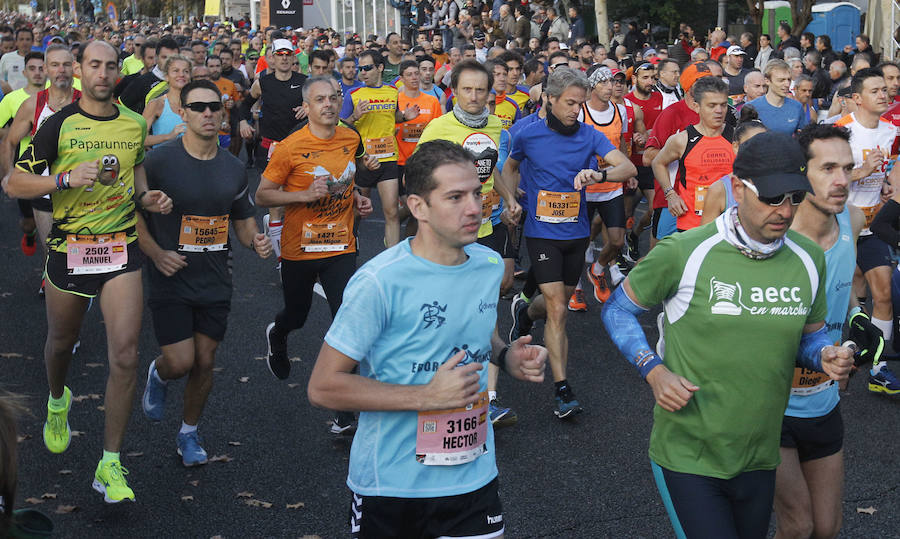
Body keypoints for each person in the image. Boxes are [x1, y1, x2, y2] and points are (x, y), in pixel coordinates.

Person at [602, 131, 854, 539]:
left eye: (793, 196)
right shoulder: (686, 251)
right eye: (772, 197)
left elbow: (810, 337)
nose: (785, 211)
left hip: (759, 455)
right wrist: (654, 371)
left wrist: (824, 353)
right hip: (689, 455)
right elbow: (618, 309)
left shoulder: (808, 260)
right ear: (737, 188)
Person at [307, 139, 548, 538]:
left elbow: (478, 333)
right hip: (393, 486)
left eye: (476, 193)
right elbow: (322, 387)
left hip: (474, 478)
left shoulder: (488, 265)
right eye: (455, 197)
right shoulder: (380, 282)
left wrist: (506, 357)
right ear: (418, 206)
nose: (474, 207)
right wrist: (426, 397)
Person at [5, 41, 173, 503]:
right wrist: (64, 178)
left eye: (110, 65)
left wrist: (149, 199)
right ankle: (58, 400)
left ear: (119, 71)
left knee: (125, 354)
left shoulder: (134, 124)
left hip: (120, 249)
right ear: (79, 71)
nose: (102, 73)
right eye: (93, 65)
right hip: (70, 249)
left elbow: (137, 185)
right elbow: (14, 182)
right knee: (61, 343)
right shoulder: (57, 125)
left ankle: (110, 464)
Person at [138, 79, 272, 466]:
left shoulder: (232, 167)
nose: (208, 113)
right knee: (181, 361)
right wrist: (156, 253)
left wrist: (256, 241)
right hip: (170, 274)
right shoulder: (159, 161)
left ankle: (189, 433)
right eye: (198, 107)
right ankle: (160, 375)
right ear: (182, 112)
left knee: (206, 360)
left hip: (215, 276)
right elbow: (133, 214)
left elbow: (243, 221)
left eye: (214, 106)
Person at [505, 68, 635, 419]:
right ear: (548, 99)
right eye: (569, 103)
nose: (575, 110)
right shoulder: (527, 134)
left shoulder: (590, 136)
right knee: (559, 308)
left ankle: (523, 311)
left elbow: (625, 166)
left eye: (579, 104)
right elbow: (509, 166)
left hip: (576, 233)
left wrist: (599, 174)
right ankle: (563, 390)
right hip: (541, 231)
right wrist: (510, 199)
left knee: (551, 305)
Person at [257, 76, 376, 433]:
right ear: (306, 107)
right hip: (300, 248)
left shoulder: (351, 137)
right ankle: (278, 334)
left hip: (341, 243)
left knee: (349, 320)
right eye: (319, 99)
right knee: (297, 315)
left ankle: (343, 409)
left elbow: (346, 176)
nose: (328, 104)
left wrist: (357, 198)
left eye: (333, 97)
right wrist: (301, 196)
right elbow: (262, 195)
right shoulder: (290, 147)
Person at [774, 123, 876, 539]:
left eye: (848, 169)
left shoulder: (851, 219)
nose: (841, 181)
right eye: (828, 168)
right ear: (802, 174)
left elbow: (846, 291)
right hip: (771, 405)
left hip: (823, 400)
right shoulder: (775, 236)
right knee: (798, 528)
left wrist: (858, 321)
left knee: (827, 530)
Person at [417, 59, 522, 426]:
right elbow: (417, 178)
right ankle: (439, 389)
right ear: (455, 91)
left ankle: (488, 400)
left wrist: (508, 198)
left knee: (486, 310)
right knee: (447, 313)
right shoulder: (438, 129)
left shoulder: (497, 127)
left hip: (487, 229)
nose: (475, 96)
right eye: (467, 89)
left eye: (481, 90)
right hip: (447, 236)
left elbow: (490, 169)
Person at [835, 67, 900, 393]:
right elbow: (821, 179)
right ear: (857, 98)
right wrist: (862, 171)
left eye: (885, 89)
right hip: (841, 222)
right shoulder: (840, 131)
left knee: (884, 292)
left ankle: (879, 366)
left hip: (873, 224)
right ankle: (833, 356)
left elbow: (887, 175)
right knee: (838, 296)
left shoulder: (890, 132)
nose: (884, 94)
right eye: (875, 90)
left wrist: (887, 185)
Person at [239, 38, 308, 267]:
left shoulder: (304, 82)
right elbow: (244, 105)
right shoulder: (263, 82)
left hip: (298, 147)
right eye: (280, 54)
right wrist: (242, 122)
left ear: (294, 57)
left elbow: (316, 106)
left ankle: (278, 232)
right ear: (272, 57)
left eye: (288, 54)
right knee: (276, 204)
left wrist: (306, 108)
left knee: (294, 203)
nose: (285, 58)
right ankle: (283, 261)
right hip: (271, 147)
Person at [341, 50, 418, 248]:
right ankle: (350, 244)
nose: (363, 72)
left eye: (367, 68)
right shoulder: (354, 94)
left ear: (380, 68)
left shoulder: (393, 92)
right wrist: (354, 117)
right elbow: (341, 126)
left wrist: (404, 117)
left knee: (391, 212)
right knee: (358, 211)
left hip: (388, 159)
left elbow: (393, 116)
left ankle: (392, 256)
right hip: (362, 161)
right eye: (361, 69)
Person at [652, 76, 735, 233]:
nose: (719, 111)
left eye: (723, 105)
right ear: (697, 107)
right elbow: (658, 163)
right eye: (712, 105)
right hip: (691, 224)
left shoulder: (736, 137)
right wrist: (670, 195)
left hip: (728, 224)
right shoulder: (682, 139)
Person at [0, 51, 46, 261]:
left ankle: (51, 276)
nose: (37, 73)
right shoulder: (12, 99)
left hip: (55, 169)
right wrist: (20, 129)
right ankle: (29, 233)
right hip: (25, 168)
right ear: (25, 72)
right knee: (30, 222)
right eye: (33, 69)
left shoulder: (59, 95)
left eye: (41, 68)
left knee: (56, 227)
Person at [699, 108, 768, 224]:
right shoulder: (719, 190)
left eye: (765, 144)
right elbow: (706, 236)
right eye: (751, 144)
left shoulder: (778, 183)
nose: (758, 150)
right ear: (735, 147)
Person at [746, 59, 809, 135]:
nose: (787, 84)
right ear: (767, 81)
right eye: (781, 80)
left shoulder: (797, 107)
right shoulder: (751, 108)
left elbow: (804, 137)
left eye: (789, 79)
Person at [120, 37, 179, 114]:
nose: (169, 61)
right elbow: (123, 109)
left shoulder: (185, 80)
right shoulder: (141, 81)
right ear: (157, 58)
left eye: (173, 58)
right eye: (164, 57)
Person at [142, 55, 189, 147]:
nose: (181, 74)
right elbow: (140, 139)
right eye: (176, 71)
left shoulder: (197, 104)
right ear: (166, 76)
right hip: (163, 160)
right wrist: (168, 136)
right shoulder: (156, 104)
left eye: (186, 71)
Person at [0, 28, 34, 94]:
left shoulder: (40, 58)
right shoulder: (6, 58)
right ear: (16, 42)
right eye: (21, 39)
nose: (24, 42)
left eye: (28, 39)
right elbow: (1, 78)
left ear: (32, 42)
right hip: (12, 99)